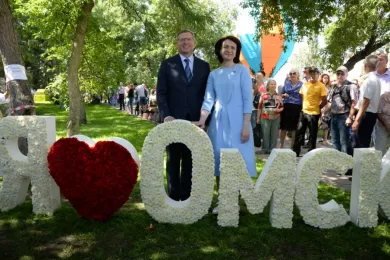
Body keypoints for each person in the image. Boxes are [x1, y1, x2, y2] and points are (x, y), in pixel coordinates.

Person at [196, 35, 256, 202]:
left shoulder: (242, 70)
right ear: (220, 50)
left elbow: (247, 98)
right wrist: (202, 119)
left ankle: (234, 200)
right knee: (219, 158)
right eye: (226, 47)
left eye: (232, 48)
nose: (229, 50)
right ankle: (223, 201)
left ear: (236, 52)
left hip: (239, 122)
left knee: (238, 159)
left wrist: (246, 124)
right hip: (218, 121)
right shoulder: (214, 74)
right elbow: (208, 99)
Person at [157, 29, 210, 201]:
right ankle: (173, 196)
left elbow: (207, 95)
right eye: (182, 40)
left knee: (190, 159)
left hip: (196, 121)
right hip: (173, 120)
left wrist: (205, 119)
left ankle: (187, 196)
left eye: (188, 39)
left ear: (194, 43)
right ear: (177, 43)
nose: (185, 42)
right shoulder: (167, 64)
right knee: (173, 159)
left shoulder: (204, 66)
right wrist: (166, 115)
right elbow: (161, 93)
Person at [293, 67, 327, 157]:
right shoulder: (305, 85)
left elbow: (324, 100)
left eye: (315, 73)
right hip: (304, 112)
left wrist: (318, 107)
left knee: (313, 134)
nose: (313, 75)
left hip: (314, 114)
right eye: (312, 73)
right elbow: (302, 96)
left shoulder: (321, 86)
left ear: (318, 75)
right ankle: (296, 151)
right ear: (309, 74)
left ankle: (311, 154)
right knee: (299, 132)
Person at [352, 55, 381, 148]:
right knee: (361, 143)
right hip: (368, 115)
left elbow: (365, 102)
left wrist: (356, 120)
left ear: (365, 65)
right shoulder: (376, 79)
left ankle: (358, 163)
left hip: (366, 115)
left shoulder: (370, 80)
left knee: (360, 145)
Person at [326, 66, 356, 153]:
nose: (339, 76)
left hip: (344, 117)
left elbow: (354, 103)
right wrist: (324, 112)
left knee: (344, 142)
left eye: (342, 74)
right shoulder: (334, 87)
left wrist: (350, 117)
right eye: (338, 74)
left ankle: (346, 165)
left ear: (347, 74)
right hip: (334, 116)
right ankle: (338, 163)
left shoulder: (351, 86)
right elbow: (330, 102)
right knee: (335, 141)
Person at [256, 79, 284, 154]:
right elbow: (259, 107)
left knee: (274, 134)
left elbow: (282, 107)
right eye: (271, 84)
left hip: (276, 118)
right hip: (265, 118)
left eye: (274, 84)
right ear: (268, 85)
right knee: (265, 134)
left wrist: (279, 110)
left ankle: (272, 149)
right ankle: (265, 149)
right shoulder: (263, 95)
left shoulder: (278, 96)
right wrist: (258, 118)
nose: (273, 85)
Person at [279, 68, 303, 149]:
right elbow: (280, 95)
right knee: (283, 127)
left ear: (298, 75)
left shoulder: (302, 85)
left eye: (294, 73)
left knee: (294, 127)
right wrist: (283, 95)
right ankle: (281, 145)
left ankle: (292, 146)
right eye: (291, 73)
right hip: (286, 106)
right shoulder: (286, 84)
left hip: (297, 107)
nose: (292, 75)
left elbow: (303, 97)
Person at [319, 73, 332, 145]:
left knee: (326, 122)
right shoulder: (319, 86)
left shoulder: (329, 88)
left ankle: (325, 139)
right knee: (318, 123)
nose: (325, 79)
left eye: (327, 78)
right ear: (322, 78)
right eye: (324, 78)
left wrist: (327, 108)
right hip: (318, 106)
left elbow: (330, 99)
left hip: (326, 107)